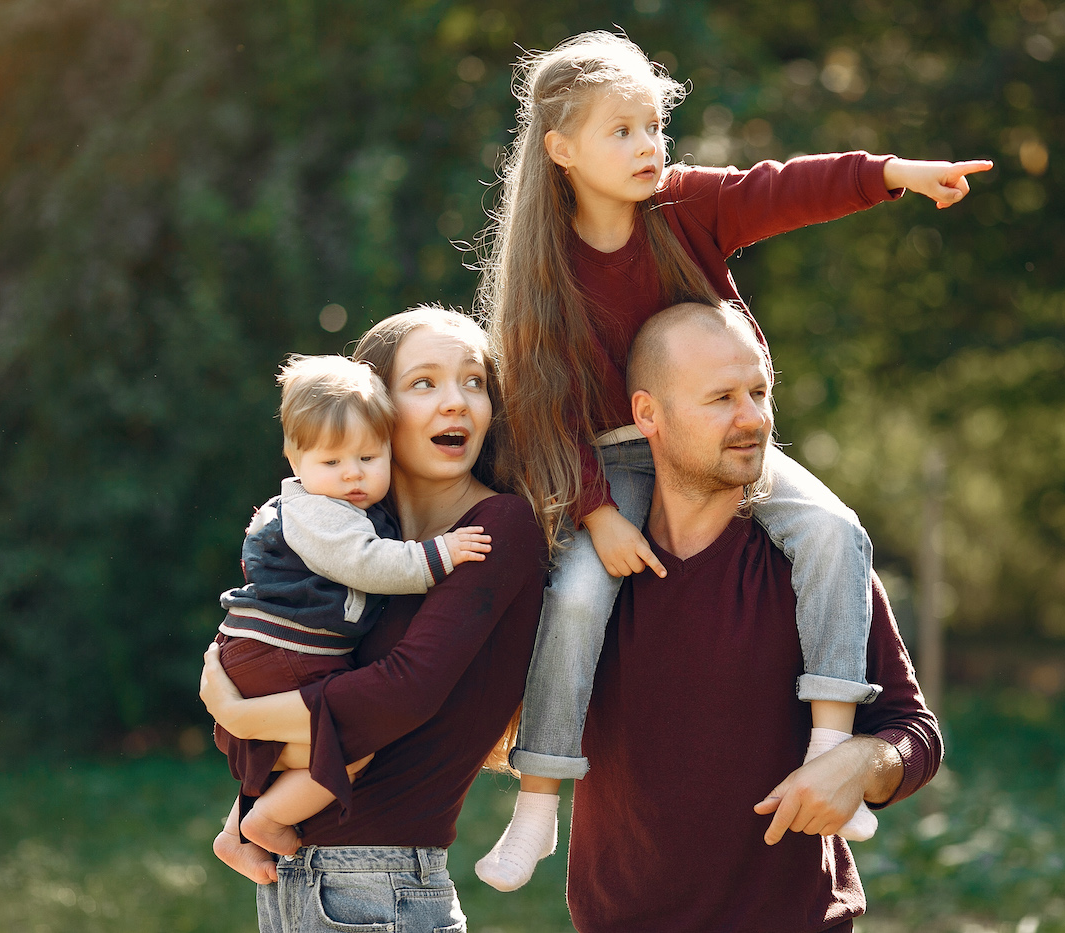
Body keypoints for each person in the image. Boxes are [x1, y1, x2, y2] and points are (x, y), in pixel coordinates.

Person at [475, 29, 985, 890]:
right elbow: (537, 404)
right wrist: (596, 509)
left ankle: (829, 744)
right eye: (621, 132)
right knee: (577, 596)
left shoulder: (682, 210)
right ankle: (535, 807)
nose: (647, 148)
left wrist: (892, 173)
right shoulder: (544, 271)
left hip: (713, 434)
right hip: (604, 459)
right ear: (561, 149)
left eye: (652, 127)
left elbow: (780, 188)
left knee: (832, 528)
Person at [569, 301, 943, 931]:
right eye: (721, 398)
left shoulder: (820, 563)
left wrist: (859, 763)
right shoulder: (587, 575)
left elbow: (914, 732)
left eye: (759, 392)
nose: (753, 419)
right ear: (647, 414)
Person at [199, 306, 547, 933]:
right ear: (374, 410)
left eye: (474, 382)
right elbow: (319, 684)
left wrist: (238, 715)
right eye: (424, 383)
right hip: (299, 878)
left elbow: (400, 693)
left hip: (378, 885)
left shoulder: (498, 530)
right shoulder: (360, 542)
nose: (456, 402)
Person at [212, 353, 493, 857]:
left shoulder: (340, 504)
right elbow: (369, 564)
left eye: (368, 458)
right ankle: (267, 821)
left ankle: (235, 832)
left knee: (299, 748)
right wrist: (440, 553)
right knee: (350, 745)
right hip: (283, 649)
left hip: (271, 647)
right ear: (296, 463)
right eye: (332, 462)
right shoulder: (320, 514)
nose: (352, 476)